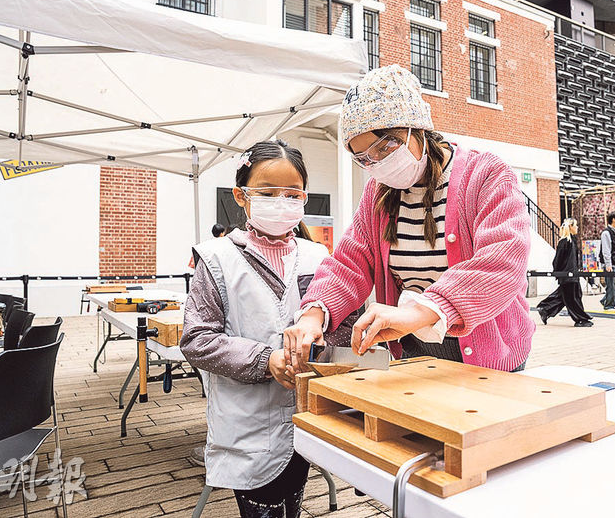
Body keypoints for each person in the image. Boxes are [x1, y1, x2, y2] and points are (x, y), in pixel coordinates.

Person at [283, 64, 533, 373]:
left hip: (492, 353)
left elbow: (502, 262)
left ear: (418, 128)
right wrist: (313, 313)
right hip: (416, 349)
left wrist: (422, 310)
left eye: (385, 146)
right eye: (364, 158)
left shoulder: (485, 175)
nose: (377, 163)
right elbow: (350, 262)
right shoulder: (378, 194)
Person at [180, 140, 333, 518]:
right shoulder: (217, 259)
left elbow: (340, 324)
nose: (281, 202)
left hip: (307, 416)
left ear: (304, 197)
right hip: (247, 424)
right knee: (261, 503)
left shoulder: (319, 258)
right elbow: (197, 339)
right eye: (267, 192)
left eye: (292, 193)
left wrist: (322, 345)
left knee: (294, 495)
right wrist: (267, 360)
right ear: (241, 195)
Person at [537, 219, 593, 327]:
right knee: (572, 297)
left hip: (572, 274)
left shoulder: (572, 240)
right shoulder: (565, 241)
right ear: (571, 227)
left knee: (567, 295)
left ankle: (545, 309)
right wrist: (560, 273)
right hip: (568, 275)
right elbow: (557, 260)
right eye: (576, 225)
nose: (577, 227)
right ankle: (580, 319)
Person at [599, 211, 615, 310]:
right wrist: (607, 264)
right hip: (610, 264)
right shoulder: (606, 233)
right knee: (611, 285)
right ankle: (609, 305)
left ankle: (605, 300)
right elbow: (606, 249)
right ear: (614, 220)